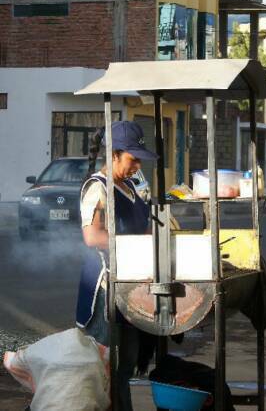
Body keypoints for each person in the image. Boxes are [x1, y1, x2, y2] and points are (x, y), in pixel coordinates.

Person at [76, 121, 158, 411]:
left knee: (126, 367)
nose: (137, 165)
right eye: (132, 159)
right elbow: (92, 236)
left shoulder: (131, 187)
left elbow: (143, 228)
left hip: (131, 286)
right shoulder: (97, 188)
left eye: (138, 160)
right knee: (106, 370)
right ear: (114, 154)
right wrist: (131, 243)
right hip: (105, 289)